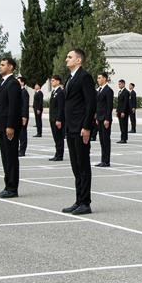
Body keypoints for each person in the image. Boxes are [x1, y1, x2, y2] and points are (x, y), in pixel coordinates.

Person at [61, 48, 95, 214]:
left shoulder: (84, 77)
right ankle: (78, 199)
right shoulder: (70, 78)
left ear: (79, 60)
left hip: (81, 128)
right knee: (75, 165)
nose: (66, 59)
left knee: (83, 165)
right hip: (71, 127)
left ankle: (85, 202)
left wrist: (87, 126)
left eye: (70, 57)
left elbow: (90, 103)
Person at [0, 57, 22, 197]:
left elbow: (13, 107)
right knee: (5, 157)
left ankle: (12, 188)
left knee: (11, 157)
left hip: (8, 126)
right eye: (0, 64)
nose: (0, 66)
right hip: (1, 125)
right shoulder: (3, 83)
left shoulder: (13, 83)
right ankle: (7, 185)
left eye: (3, 64)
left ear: (10, 67)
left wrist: (10, 125)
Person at [95, 73, 114, 167]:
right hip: (100, 118)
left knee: (106, 140)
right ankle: (103, 160)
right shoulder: (99, 90)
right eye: (97, 78)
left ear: (105, 79)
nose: (98, 79)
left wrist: (107, 119)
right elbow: (98, 105)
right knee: (102, 140)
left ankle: (106, 161)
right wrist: (97, 117)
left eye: (99, 78)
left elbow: (109, 106)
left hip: (105, 119)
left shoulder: (108, 90)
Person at [47, 74, 65, 161]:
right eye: (51, 80)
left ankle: (59, 155)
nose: (51, 82)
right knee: (56, 137)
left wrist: (59, 119)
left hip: (57, 119)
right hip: (52, 118)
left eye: (53, 80)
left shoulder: (60, 92)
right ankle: (57, 153)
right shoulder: (54, 92)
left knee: (59, 137)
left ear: (58, 81)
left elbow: (61, 107)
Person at [18, 76, 31, 156]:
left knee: (23, 133)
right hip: (18, 115)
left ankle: (22, 150)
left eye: (18, 81)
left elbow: (25, 105)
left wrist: (24, 116)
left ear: (22, 82)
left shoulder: (24, 92)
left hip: (23, 116)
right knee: (19, 133)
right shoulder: (19, 91)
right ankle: (19, 149)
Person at [115, 78, 131, 145]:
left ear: (123, 84)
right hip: (119, 111)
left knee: (124, 125)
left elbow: (125, 103)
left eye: (120, 84)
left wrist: (123, 111)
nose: (119, 85)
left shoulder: (126, 92)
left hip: (123, 112)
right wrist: (117, 111)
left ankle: (124, 139)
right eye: (118, 84)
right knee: (121, 125)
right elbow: (119, 103)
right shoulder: (120, 92)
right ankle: (122, 138)